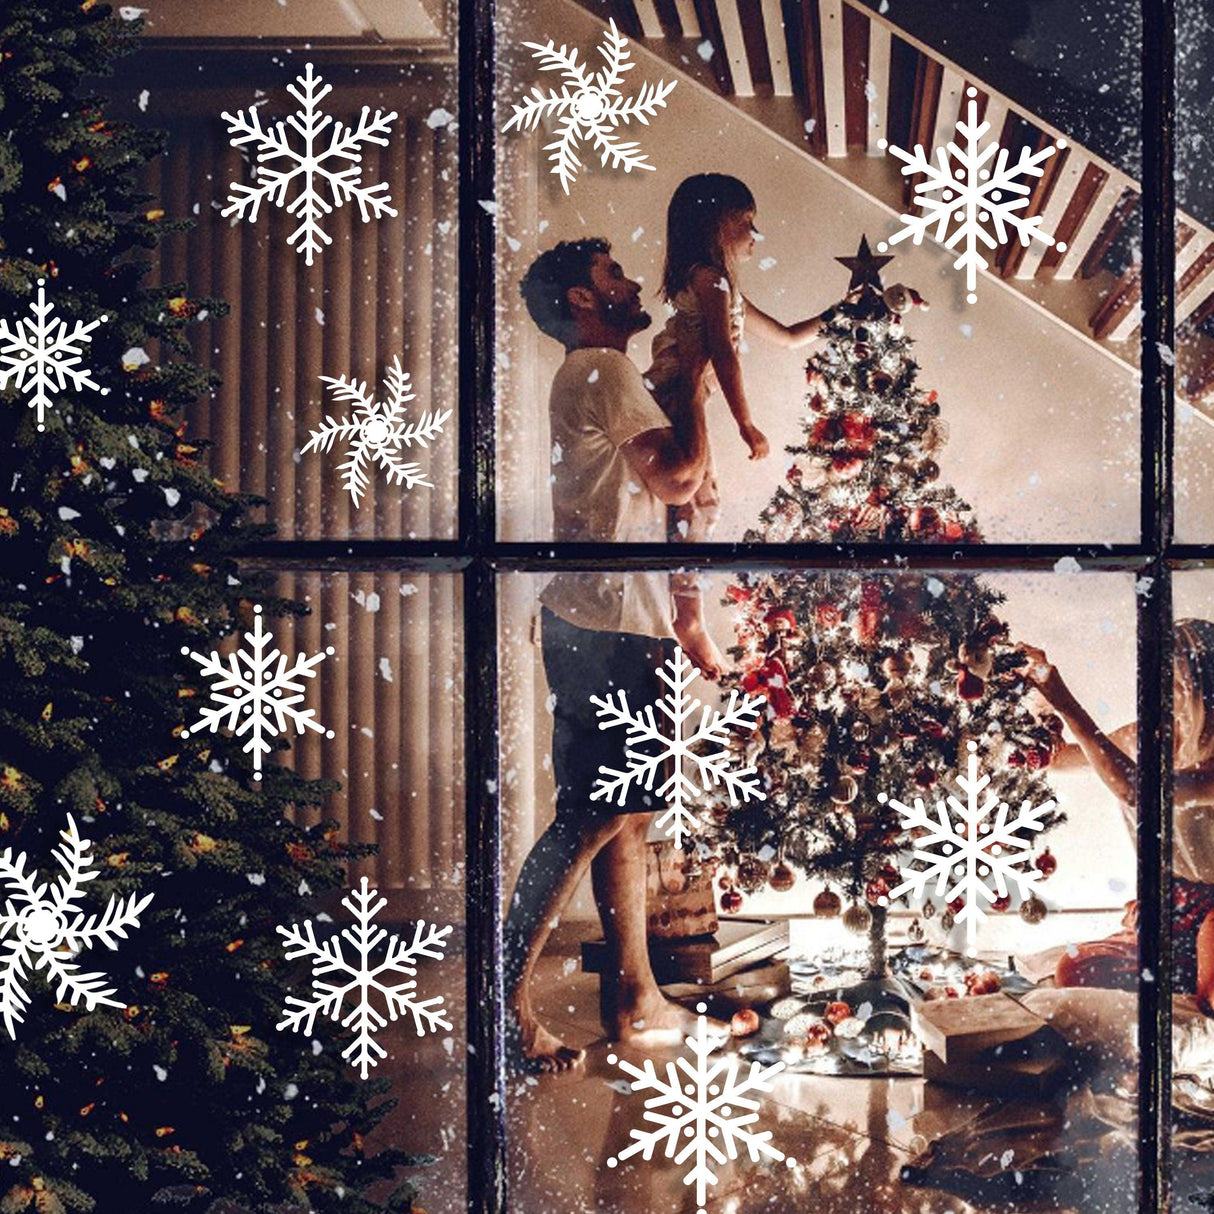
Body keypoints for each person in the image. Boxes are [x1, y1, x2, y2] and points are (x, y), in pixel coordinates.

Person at [507, 237, 725, 1072]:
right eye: (611, 275)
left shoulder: (598, 375)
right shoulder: (600, 370)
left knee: (627, 814)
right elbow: (677, 478)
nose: (631, 281)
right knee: (593, 815)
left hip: (611, 618)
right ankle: (506, 1006)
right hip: (602, 622)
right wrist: (699, 384)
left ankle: (635, 997)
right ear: (583, 301)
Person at [647, 174, 839, 675]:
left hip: (681, 399)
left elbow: (791, 336)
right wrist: (746, 423)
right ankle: (686, 618)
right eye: (748, 223)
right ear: (717, 225)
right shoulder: (709, 278)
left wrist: (848, 309)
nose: (756, 236)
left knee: (694, 509)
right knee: (695, 505)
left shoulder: (722, 286)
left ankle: (684, 613)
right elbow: (723, 353)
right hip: (673, 399)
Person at [1016, 620, 1214, 1010]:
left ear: (1201, 684)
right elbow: (1063, 759)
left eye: (1172, 679)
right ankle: (1185, 982)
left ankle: (1197, 993)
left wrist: (1066, 703)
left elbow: (1136, 791)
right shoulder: (1157, 734)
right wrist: (1038, 698)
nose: (1161, 691)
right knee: (1074, 970)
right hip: (1170, 909)